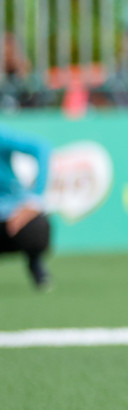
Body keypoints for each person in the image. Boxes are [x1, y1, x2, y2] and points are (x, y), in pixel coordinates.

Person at [0, 124, 52, 289]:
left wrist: (34, 200)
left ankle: (35, 262)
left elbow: (42, 148)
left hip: (8, 213)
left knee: (36, 228)